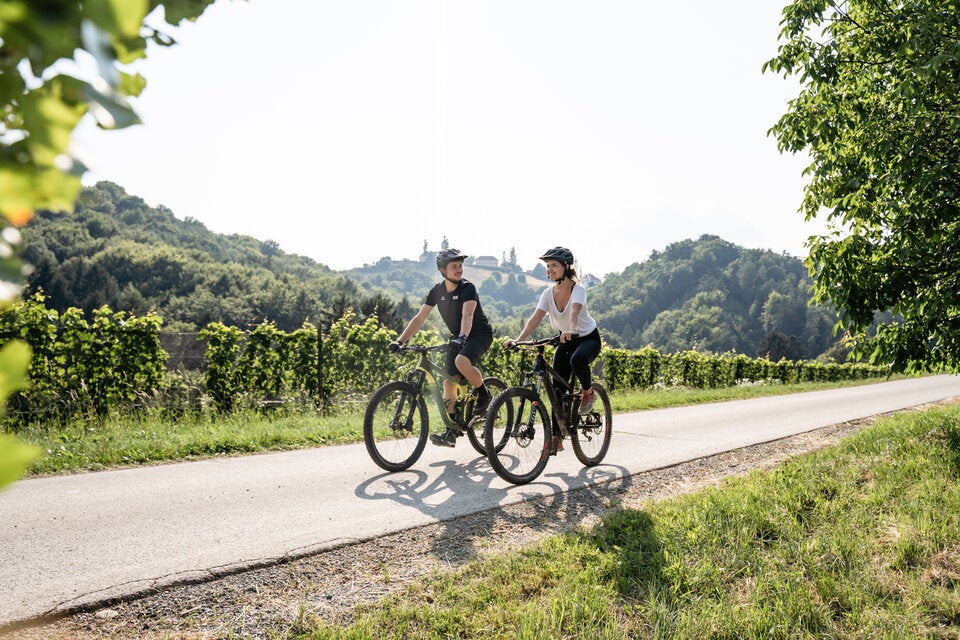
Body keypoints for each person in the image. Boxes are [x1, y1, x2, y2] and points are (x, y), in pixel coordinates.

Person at [389, 248, 494, 447]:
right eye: (454, 266)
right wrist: (400, 341)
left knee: (461, 361)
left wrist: (463, 336)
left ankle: (484, 394)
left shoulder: (468, 288)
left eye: (461, 266)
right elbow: (419, 318)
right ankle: (451, 431)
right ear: (442, 270)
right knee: (449, 382)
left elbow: (468, 315)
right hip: (458, 337)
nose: (459, 270)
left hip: (478, 334)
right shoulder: (437, 292)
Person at [504, 246, 602, 421]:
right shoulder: (547, 294)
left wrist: (571, 330)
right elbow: (535, 319)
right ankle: (557, 437)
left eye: (554, 265)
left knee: (577, 360)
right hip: (566, 341)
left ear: (566, 266)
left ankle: (588, 393)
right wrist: (518, 340)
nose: (549, 270)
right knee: (557, 392)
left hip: (587, 338)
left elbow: (574, 312)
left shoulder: (578, 289)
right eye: (548, 266)